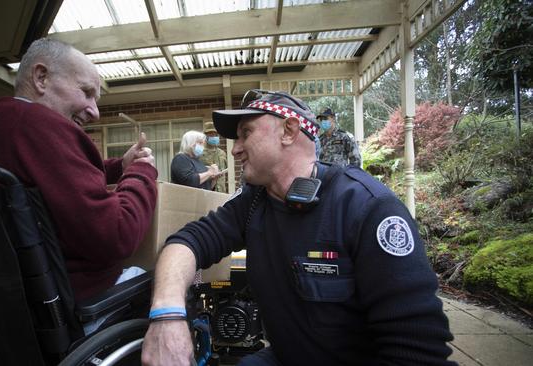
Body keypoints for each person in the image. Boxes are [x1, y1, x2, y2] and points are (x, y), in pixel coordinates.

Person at [141, 90, 455, 365]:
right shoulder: (253, 203)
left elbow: (418, 350)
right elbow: (186, 241)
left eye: (245, 133)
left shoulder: (366, 207)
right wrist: (167, 315)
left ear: (289, 130)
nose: (234, 149)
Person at [0, 38, 158, 304]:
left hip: (8, 305)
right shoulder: (40, 125)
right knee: (176, 271)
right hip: (77, 302)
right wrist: (142, 173)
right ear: (41, 78)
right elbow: (119, 234)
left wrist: (120, 167)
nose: (95, 112)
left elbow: (54, 178)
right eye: (86, 92)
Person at [199, 121, 228, 193]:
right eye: (210, 134)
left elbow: (224, 172)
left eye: (215, 134)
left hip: (221, 191)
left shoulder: (222, 153)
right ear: (205, 136)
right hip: (206, 191)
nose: (214, 136)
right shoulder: (199, 153)